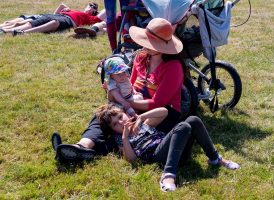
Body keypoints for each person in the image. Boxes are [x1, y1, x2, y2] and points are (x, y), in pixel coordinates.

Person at [52, 18, 185, 163]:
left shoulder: (173, 67)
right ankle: (82, 146)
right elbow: (130, 85)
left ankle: (82, 153)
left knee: (124, 130)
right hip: (135, 102)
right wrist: (116, 94)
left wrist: (125, 102)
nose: (144, 44)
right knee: (106, 115)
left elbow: (157, 103)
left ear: (161, 46)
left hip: (161, 113)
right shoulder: (141, 57)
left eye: (150, 42)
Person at [96, 104, 240, 192]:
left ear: (126, 114)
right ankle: (168, 175)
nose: (121, 123)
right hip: (158, 157)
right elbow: (132, 159)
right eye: (115, 124)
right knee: (183, 126)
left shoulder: (144, 123)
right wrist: (125, 137)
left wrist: (141, 118)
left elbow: (164, 111)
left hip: (176, 151)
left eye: (121, 117)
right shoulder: (120, 139)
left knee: (193, 120)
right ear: (113, 130)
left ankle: (215, 158)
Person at [1, 2, 105, 36]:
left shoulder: (92, 18)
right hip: (56, 15)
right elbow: (61, 4)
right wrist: (63, 10)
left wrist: (97, 13)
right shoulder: (74, 10)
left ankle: (23, 33)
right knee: (29, 23)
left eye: (94, 8)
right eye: (90, 5)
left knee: (55, 23)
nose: (91, 7)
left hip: (68, 20)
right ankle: (4, 31)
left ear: (95, 11)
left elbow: (107, 12)